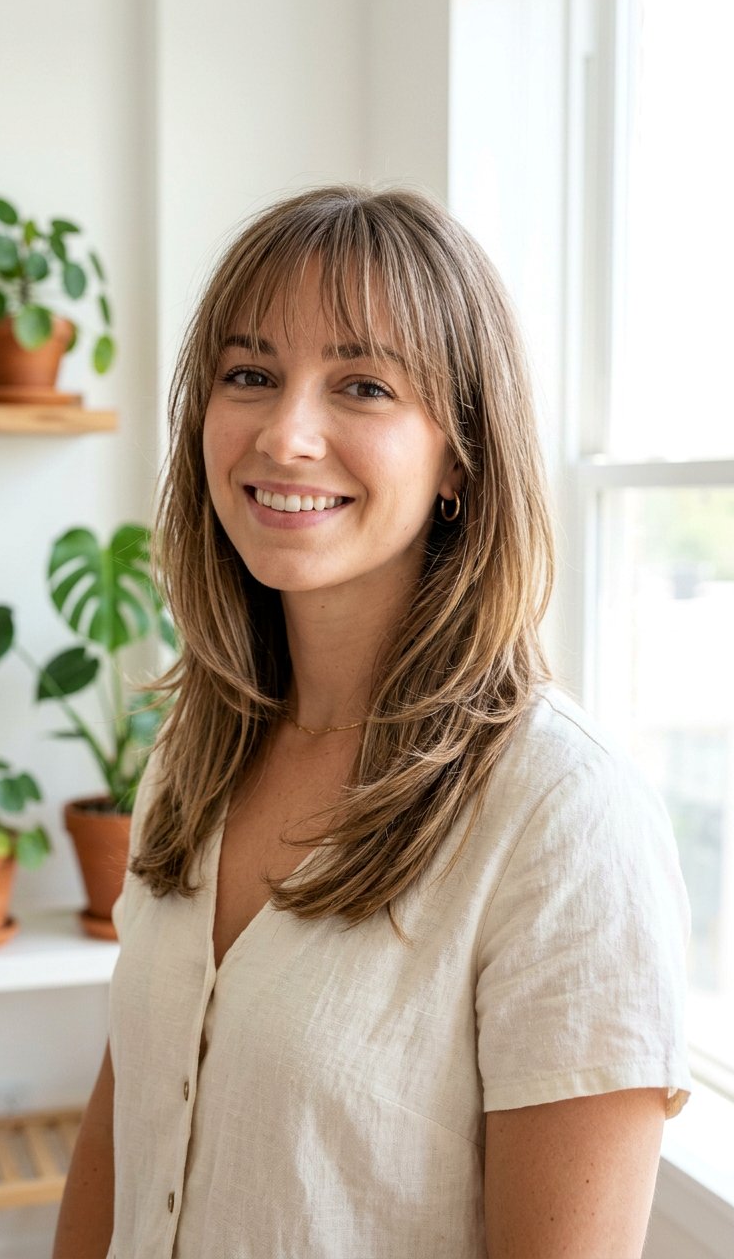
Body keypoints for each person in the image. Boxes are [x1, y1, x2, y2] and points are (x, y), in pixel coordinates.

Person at [53, 185, 690, 1259]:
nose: (285, 433)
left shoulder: (562, 820)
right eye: (249, 374)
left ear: (459, 457)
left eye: (361, 385)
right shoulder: (192, 752)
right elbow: (128, 1133)